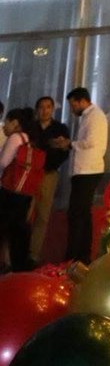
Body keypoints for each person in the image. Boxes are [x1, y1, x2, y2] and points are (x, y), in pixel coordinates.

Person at [51, 87, 108, 265]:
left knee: (77, 214)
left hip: (88, 170)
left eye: (72, 105)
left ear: (81, 101)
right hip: (84, 170)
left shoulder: (96, 116)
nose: (72, 109)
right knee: (81, 214)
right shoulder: (89, 116)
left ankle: (75, 256)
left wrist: (70, 144)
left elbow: (92, 142)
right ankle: (81, 256)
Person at [0, 106, 43, 270]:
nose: (5, 126)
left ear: (16, 123)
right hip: (24, 192)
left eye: (8, 122)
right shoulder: (29, 139)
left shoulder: (15, 138)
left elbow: (4, 163)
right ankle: (20, 268)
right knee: (19, 232)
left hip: (10, 191)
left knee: (6, 228)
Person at [29, 95, 70, 264]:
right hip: (30, 173)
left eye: (48, 107)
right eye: (41, 107)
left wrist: (51, 157)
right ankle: (17, 252)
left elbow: (65, 151)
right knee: (24, 212)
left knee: (42, 215)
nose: (45, 110)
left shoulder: (60, 128)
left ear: (53, 109)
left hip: (49, 173)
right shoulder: (31, 127)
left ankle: (33, 255)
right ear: (37, 110)